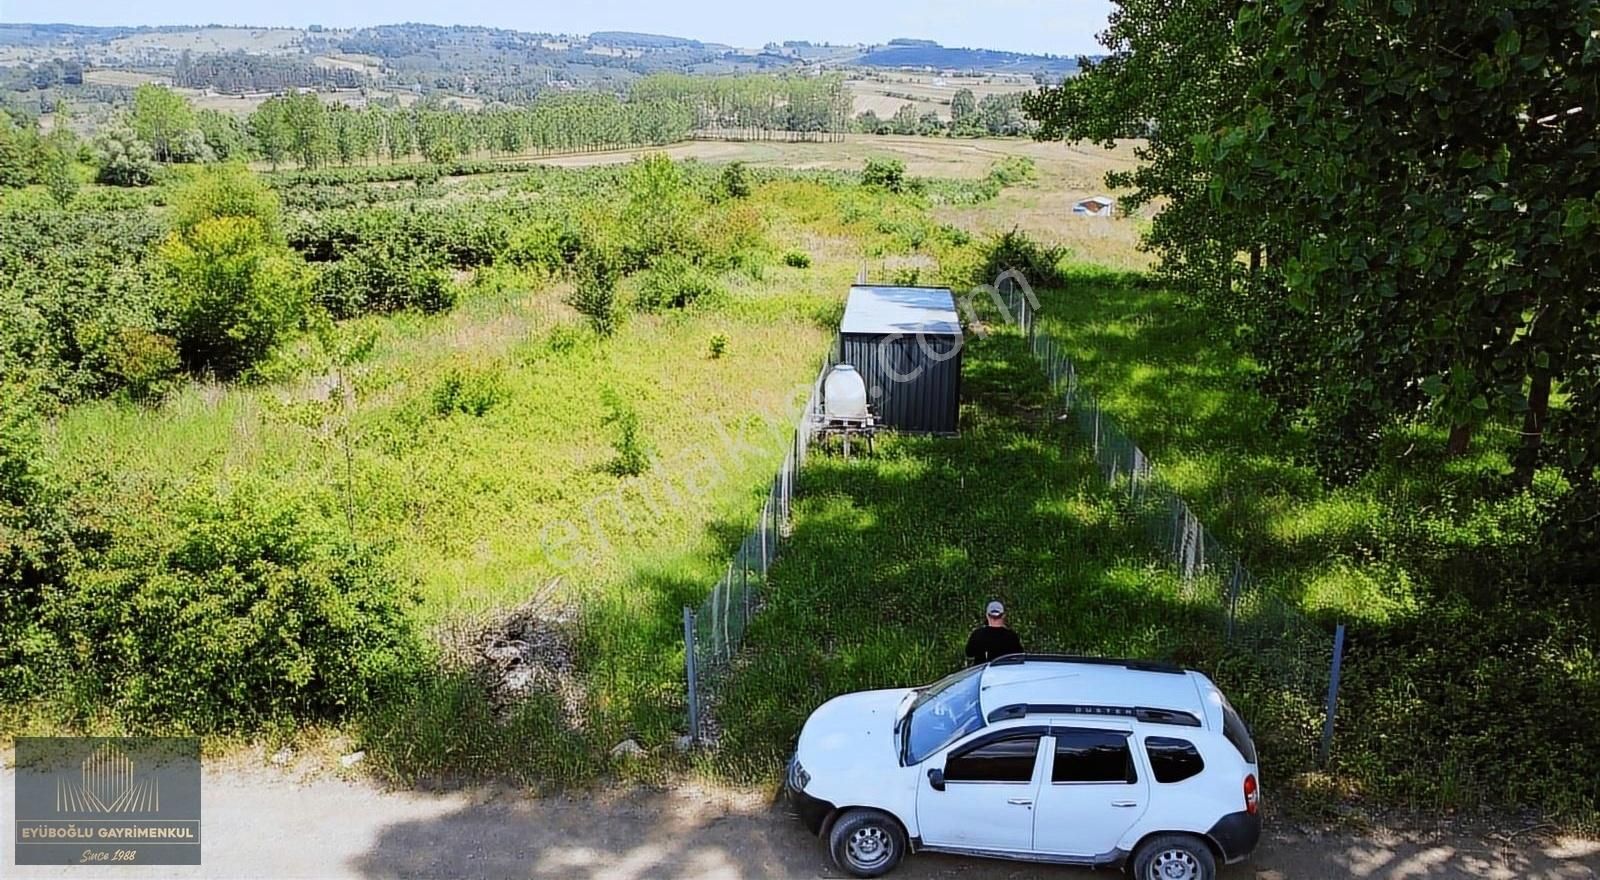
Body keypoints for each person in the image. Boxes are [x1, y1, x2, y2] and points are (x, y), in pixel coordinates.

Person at [965, 600, 1024, 665]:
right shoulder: (1011, 636)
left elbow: (969, 654)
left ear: (987, 615)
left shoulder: (977, 634)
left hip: (985, 673)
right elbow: (1019, 656)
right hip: (1005, 672)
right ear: (1003, 615)